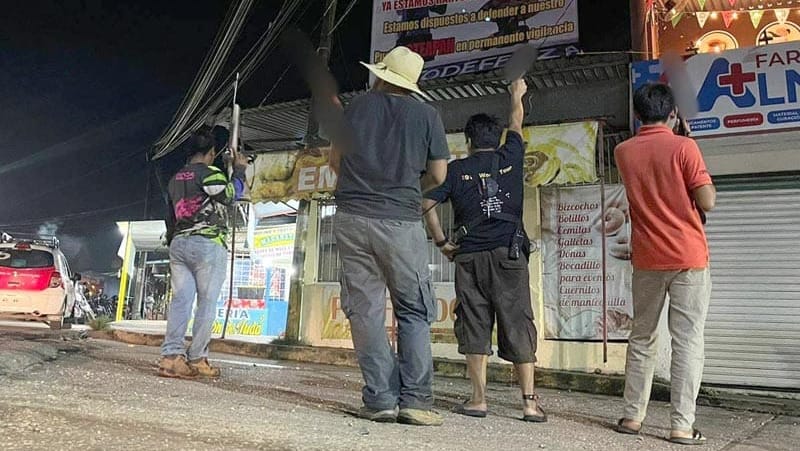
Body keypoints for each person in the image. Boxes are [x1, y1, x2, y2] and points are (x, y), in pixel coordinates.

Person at [329, 46, 449, 426]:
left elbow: (335, 162)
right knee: (413, 310)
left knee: (364, 311)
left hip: (350, 217)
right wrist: (411, 191)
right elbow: (440, 176)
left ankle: (380, 399)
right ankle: (415, 402)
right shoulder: (428, 115)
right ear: (410, 85)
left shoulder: (356, 108)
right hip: (400, 221)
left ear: (381, 75)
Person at [422, 79, 546, 423]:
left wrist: (442, 242)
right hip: (509, 256)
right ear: (497, 138)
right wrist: (516, 95)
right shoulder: (512, 155)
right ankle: (529, 404)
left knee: (474, 322)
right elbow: (517, 122)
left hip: (469, 258)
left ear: (468, 141)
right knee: (518, 322)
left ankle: (478, 400)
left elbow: (426, 203)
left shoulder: (456, 171)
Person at [614, 83, 716, 446]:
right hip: (688, 257)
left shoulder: (622, 151)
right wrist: (686, 142)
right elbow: (708, 201)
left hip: (647, 259)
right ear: (673, 113)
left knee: (642, 337)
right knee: (687, 341)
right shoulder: (685, 147)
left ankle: (632, 416)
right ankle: (681, 426)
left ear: (638, 115)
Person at [158, 129, 247, 379]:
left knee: (181, 301)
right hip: (207, 244)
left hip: (179, 243)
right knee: (206, 302)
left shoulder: (175, 179)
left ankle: (171, 357)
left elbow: (170, 216)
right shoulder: (209, 174)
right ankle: (197, 358)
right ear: (210, 153)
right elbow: (231, 196)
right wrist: (239, 170)